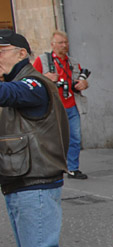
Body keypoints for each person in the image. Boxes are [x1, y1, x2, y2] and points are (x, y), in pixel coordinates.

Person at [0, 30, 83, 247]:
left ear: (21, 53)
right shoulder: (22, 84)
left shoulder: (34, 84)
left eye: (1, 50)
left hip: (34, 183)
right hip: (21, 182)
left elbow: (10, 94)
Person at [32, 30, 90, 179]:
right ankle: (52, 167)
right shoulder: (42, 60)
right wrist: (44, 77)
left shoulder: (73, 62)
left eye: (66, 42)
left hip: (72, 105)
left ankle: (72, 168)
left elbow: (81, 81)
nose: (64, 46)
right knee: (53, 139)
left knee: (75, 138)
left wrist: (84, 83)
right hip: (53, 106)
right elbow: (30, 79)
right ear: (52, 45)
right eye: (60, 43)